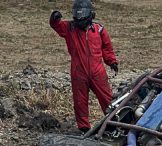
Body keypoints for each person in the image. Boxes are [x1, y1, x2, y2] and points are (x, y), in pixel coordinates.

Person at [50, 0, 119, 132]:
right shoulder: (69, 28)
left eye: (82, 14)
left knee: (107, 98)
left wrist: (112, 61)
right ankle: (84, 128)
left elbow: (107, 47)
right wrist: (54, 17)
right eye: (77, 14)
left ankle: (114, 123)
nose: (79, 18)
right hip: (78, 71)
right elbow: (56, 25)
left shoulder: (99, 29)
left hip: (98, 71)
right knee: (80, 100)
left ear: (90, 14)